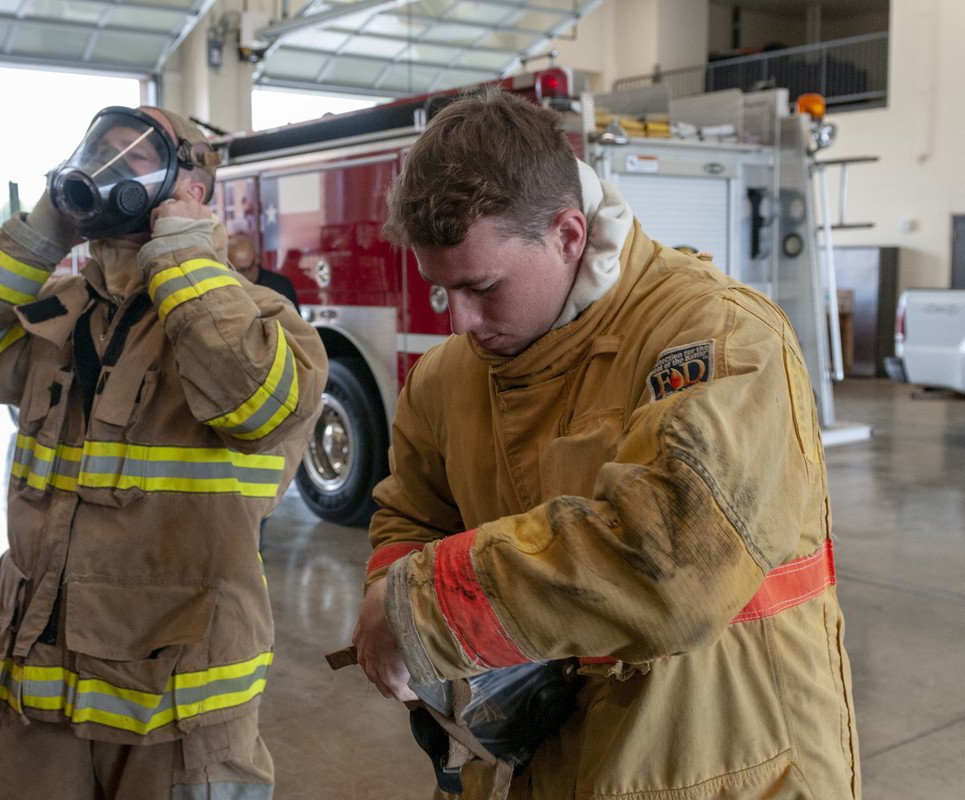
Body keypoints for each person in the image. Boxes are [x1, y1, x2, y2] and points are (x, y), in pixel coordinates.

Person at [350, 90, 860, 799]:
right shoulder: (446, 379)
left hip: (719, 767)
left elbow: (673, 566)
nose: (460, 321)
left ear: (567, 235)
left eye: (483, 287)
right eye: (443, 293)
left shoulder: (716, 336)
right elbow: (413, 512)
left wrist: (423, 606)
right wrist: (389, 589)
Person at [0, 106, 326, 799]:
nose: (105, 169)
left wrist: (183, 253)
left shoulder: (262, 324)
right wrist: (42, 231)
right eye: (99, 151)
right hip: (34, 711)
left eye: (135, 159)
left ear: (193, 188)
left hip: (174, 720)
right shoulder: (57, 317)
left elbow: (258, 408)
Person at [228, 232, 299, 311]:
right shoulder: (224, 289)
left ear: (256, 261)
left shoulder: (280, 286)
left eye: (244, 270)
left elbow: (294, 321)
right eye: (232, 271)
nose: (238, 275)